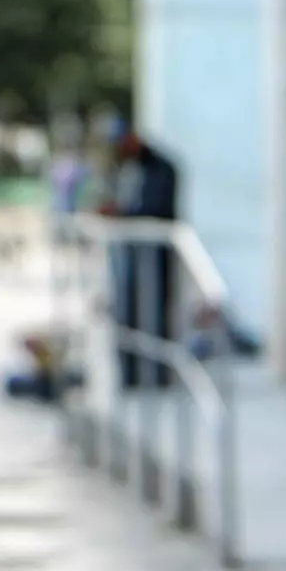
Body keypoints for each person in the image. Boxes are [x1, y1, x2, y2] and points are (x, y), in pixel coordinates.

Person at [102, 127, 179, 389]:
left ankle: (156, 376)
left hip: (154, 260)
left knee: (154, 316)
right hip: (133, 258)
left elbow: (156, 209)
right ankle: (132, 376)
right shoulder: (130, 170)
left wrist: (122, 213)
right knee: (129, 314)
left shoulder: (163, 168)